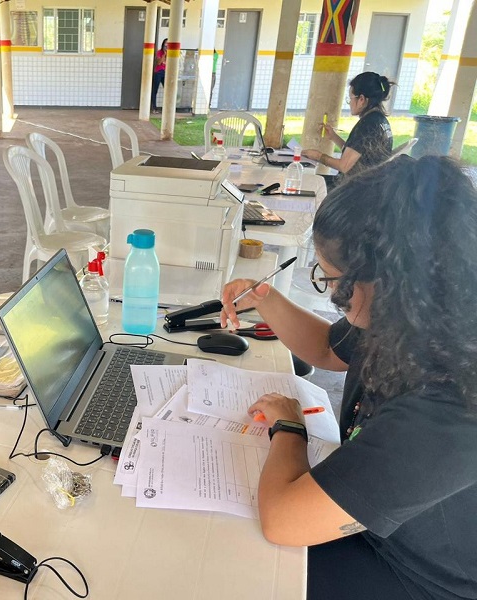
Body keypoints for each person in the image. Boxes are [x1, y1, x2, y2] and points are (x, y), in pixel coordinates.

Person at [219, 155, 477, 599]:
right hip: (379, 530)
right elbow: (326, 349)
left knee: (233, 569)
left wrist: (289, 428)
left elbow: (283, 519)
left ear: (395, 281)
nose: (333, 295)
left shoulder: (453, 404)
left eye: (334, 281)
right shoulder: (418, 318)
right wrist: (266, 300)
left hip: (418, 575)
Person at [303, 72, 394, 186]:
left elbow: (344, 166)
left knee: (307, 183)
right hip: (370, 185)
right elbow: (359, 153)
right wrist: (334, 137)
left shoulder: (368, 124)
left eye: (350, 98)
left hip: (356, 189)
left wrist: (319, 156)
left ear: (361, 99)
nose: (349, 103)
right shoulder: (380, 120)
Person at [151, 38, 167, 114]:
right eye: (165, 43)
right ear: (163, 44)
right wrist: (164, 54)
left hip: (166, 72)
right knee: (155, 90)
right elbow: (159, 62)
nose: (167, 45)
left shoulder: (172, 53)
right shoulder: (159, 52)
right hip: (158, 72)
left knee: (168, 90)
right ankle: (154, 108)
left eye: (168, 44)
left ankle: (167, 108)